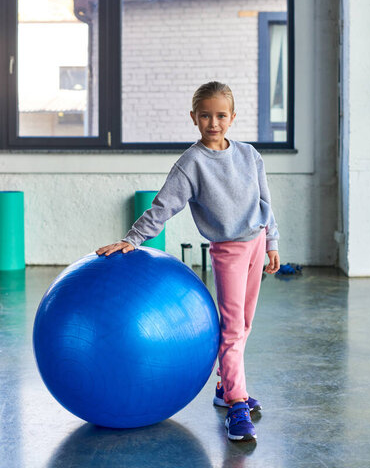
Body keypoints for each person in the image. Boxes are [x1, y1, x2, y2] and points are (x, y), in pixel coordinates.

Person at [96, 81, 280, 442]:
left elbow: (265, 200)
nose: (214, 122)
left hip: (257, 242)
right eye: (206, 115)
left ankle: (226, 387)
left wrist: (272, 241)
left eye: (221, 115)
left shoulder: (248, 154)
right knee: (231, 329)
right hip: (228, 252)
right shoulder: (191, 163)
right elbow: (163, 207)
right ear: (194, 117)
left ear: (233, 117)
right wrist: (132, 239)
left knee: (244, 324)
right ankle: (237, 403)